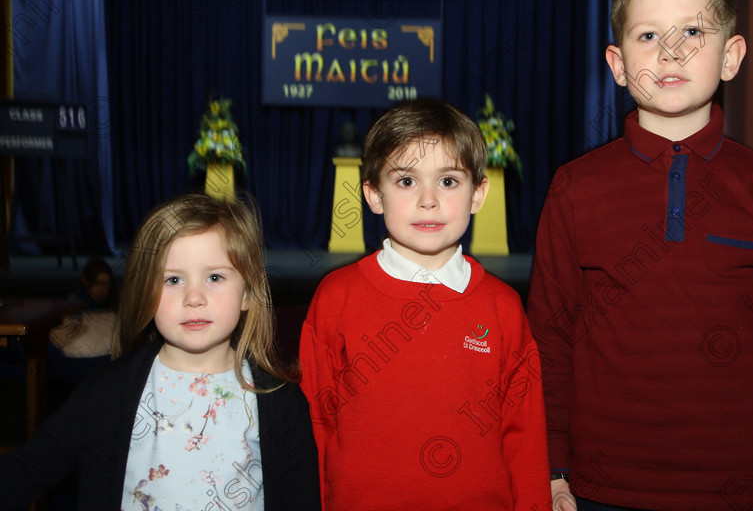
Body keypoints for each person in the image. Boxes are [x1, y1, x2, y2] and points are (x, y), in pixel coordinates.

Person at [527, 0, 753, 510]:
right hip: (599, 490)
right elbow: (549, 337)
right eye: (648, 35)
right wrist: (550, 467)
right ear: (618, 64)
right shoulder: (575, 188)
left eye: (693, 31)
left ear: (731, 56)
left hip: (747, 491)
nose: (670, 52)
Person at [299, 98, 550, 510]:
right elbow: (314, 429)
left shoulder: (503, 308)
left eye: (448, 181)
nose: (428, 200)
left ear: (478, 193)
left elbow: (524, 439)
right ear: (373, 195)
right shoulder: (336, 297)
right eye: (406, 181)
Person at [0, 193, 320, 510]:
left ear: (247, 294)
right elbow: (30, 468)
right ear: (147, 293)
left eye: (214, 277)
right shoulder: (108, 390)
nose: (194, 297)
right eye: (174, 279)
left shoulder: (279, 400)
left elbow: (300, 497)